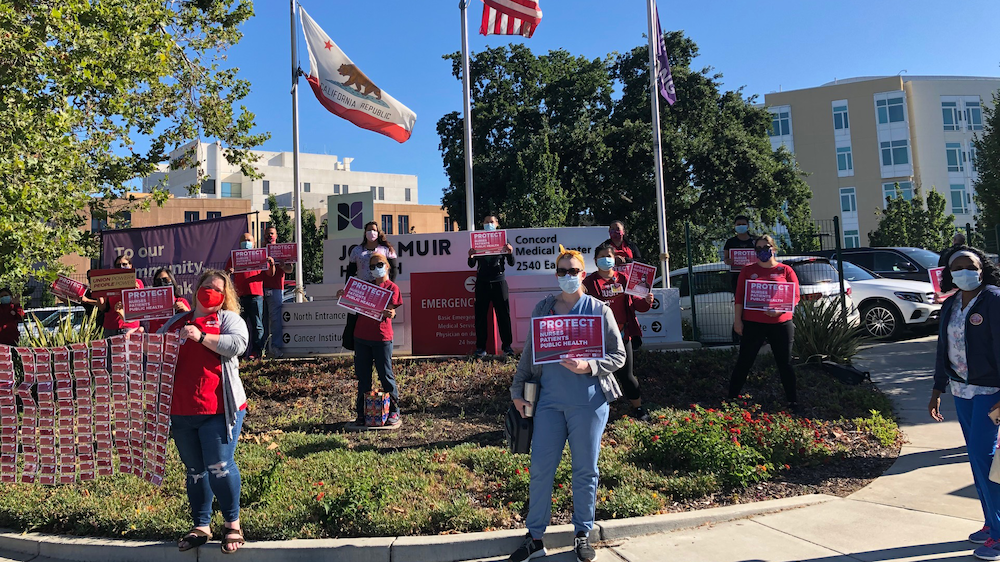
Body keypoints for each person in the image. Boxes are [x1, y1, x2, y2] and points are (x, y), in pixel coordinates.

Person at [507, 246, 626, 562]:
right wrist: (517, 390)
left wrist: (588, 365)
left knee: (585, 470)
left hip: (589, 403)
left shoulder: (599, 310)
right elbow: (530, 354)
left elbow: (618, 356)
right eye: (562, 271)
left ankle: (582, 534)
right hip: (548, 403)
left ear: (583, 274)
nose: (568, 276)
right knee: (540, 469)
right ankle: (535, 537)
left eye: (573, 271)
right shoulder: (543, 309)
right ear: (555, 274)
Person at [159, 269, 249, 555]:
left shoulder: (228, 320)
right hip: (181, 411)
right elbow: (156, 351)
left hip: (218, 409)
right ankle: (202, 525)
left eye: (218, 289)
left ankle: (232, 524)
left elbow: (238, 345)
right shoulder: (176, 322)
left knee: (219, 467)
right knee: (195, 471)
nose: (211, 291)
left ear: (225, 297)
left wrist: (201, 337)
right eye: (207, 286)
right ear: (196, 288)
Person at [928, 246, 1000, 561]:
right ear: (949, 273)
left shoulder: (994, 299)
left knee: (986, 460)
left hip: (991, 392)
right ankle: (990, 522)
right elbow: (943, 348)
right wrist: (937, 389)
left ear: (982, 267)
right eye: (956, 267)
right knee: (976, 460)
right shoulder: (951, 304)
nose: (963, 271)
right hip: (961, 391)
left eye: (968, 265)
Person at [728, 235, 801, 410]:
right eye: (758, 248)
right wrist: (737, 321)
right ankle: (730, 400)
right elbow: (739, 298)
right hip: (753, 323)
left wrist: (780, 310)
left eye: (765, 247)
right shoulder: (747, 270)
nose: (762, 251)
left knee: (785, 363)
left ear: (773, 249)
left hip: (781, 324)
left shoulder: (786, 270)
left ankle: (793, 402)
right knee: (744, 361)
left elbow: (795, 296)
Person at [584, 241, 654, 421]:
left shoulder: (624, 279)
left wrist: (646, 300)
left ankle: (638, 409)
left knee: (627, 375)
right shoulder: (589, 282)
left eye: (609, 257)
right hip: (597, 338)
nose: (606, 260)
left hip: (623, 335)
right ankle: (598, 413)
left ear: (614, 259)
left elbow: (636, 304)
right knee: (597, 376)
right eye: (601, 257)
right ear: (595, 260)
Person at [339, 253, 403, 427]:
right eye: (372, 266)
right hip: (361, 337)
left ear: (387, 266)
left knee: (386, 376)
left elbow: (392, 310)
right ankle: (362, 413)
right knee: (363, 378)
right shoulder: (364, 287)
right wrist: (343, 294)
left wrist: (391, 313)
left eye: (379, 264)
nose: (376, 268)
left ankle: (394, 412)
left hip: (382, 338)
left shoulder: (392, 288)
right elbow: (348, 299)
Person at [468, 214, 515, 357]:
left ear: (497, 224)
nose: (489, 224)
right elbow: (471, 264)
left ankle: (507, 347)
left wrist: (510, 252)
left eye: (492, 222)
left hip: (499, 282)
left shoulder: (504, 240)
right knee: (480, 316)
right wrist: (470, 256)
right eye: (487, 222)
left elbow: (511, 262)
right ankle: (481, 348)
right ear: (482, 224)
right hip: (482, 282)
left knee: (503, 315)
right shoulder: (478, 240)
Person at [226, 233, 265, 360]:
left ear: (254, 243)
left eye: (249, 240)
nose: (246, 242)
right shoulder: (234, 257)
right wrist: (229, 272)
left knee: (257, 325)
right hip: (240, 297)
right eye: (244, 240)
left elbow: (270, 273)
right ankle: (240, 353)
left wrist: (271, 263)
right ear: (239, 243)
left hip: (256, 295)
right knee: (239, 326)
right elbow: (225, 275)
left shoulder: (259, 256)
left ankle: (257, 352)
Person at [262, 227, 293, 358]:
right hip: (260, 290)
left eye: (272, 233)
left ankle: (275, 347)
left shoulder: (283, 251)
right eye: (267, 234)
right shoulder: (260, 251)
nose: (270, 236)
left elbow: (290, 270)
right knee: (261, 322)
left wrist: (282, 266)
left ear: (276, 235)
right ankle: (261, 349)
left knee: (275, 321)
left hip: (276, 289)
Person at [98, 255, 144, 337]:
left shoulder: (137, 283)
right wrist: (98, 294)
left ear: (130, 266)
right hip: (110, 326)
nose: (121, 267)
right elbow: (102, 307)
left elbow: (140, 305)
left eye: (124, 264)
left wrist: (136, 290)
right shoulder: (110, 284)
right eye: (118, 265)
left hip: (129, 327)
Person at [147, 268, 191, 334]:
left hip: (173, 340)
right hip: (155, 340)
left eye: (166, 280)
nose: (162, 283)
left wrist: (186, 311)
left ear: (172, 281)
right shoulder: (151, 303)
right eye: (158, 281)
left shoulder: (181, 301)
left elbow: (192, 323)